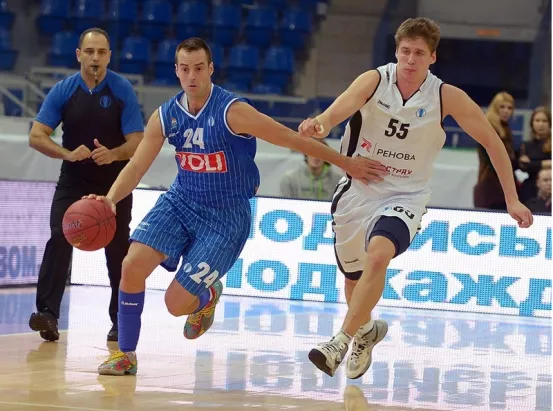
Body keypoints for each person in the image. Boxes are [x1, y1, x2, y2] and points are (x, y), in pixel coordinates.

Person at [85, 37, 387, 376]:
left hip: (225, 217)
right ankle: (126, 354)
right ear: (177, 71)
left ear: (211, 69)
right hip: (180, 201)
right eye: (185, 69)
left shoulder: (233, 111)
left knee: (175, 305)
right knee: (131, 266)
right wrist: (110, 199)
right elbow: (138, 165)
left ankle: (207, 297)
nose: (192, 76)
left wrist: (346, 162)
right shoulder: (165, 115)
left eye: (199, 68)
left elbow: (290, 138)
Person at [298, 17, 534, 379]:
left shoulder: (445, 96)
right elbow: (337, 111)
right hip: (358, 189)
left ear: (432, 57)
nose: (410, 59)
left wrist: (512, 199)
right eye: (405, 51)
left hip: (406, 194)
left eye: (419, 53)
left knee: (379, 254)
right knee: (354, 278)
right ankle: (365, 331)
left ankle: (339, 341)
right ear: (396, 51)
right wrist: (321, 124)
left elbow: (493, 142)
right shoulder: (374, 80)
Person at [28, 28, 144, 342]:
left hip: (114, 182)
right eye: (89, 51)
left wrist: (114, 153)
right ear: (79, 54)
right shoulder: (64, 90)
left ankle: (120, 321)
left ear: (109, 56)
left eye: (101, 52)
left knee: (118, 249)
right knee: (59, 237)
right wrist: (66, 153)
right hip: (74, 178)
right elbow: (36, 136)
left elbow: (138, 141)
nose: (95, 57)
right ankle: (47, 314)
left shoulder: (121, 89)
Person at [473, 91, 518, 210]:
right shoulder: (488, 128)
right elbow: (496, 161)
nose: (506, 111)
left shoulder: (505, 129)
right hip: (490, 186)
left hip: (500, 186)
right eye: (502, 107)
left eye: (510, 108)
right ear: (495, 107)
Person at [280, 139, 344, 200]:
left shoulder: (338, 180)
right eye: (312, 152)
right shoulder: (290, 179)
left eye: (320, 153)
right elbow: (285, 204)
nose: (316, 157)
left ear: (326, 156)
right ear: (305, 154)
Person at [518, 106, 552, 203]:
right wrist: (546, 163)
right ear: (532, 123)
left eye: (544, 121)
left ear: (550, 123)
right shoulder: (526, 145)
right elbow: (524, 166)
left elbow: (530, 165)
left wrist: (533, 163)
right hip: (530, 187)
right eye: (537, 120)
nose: (541, 124)